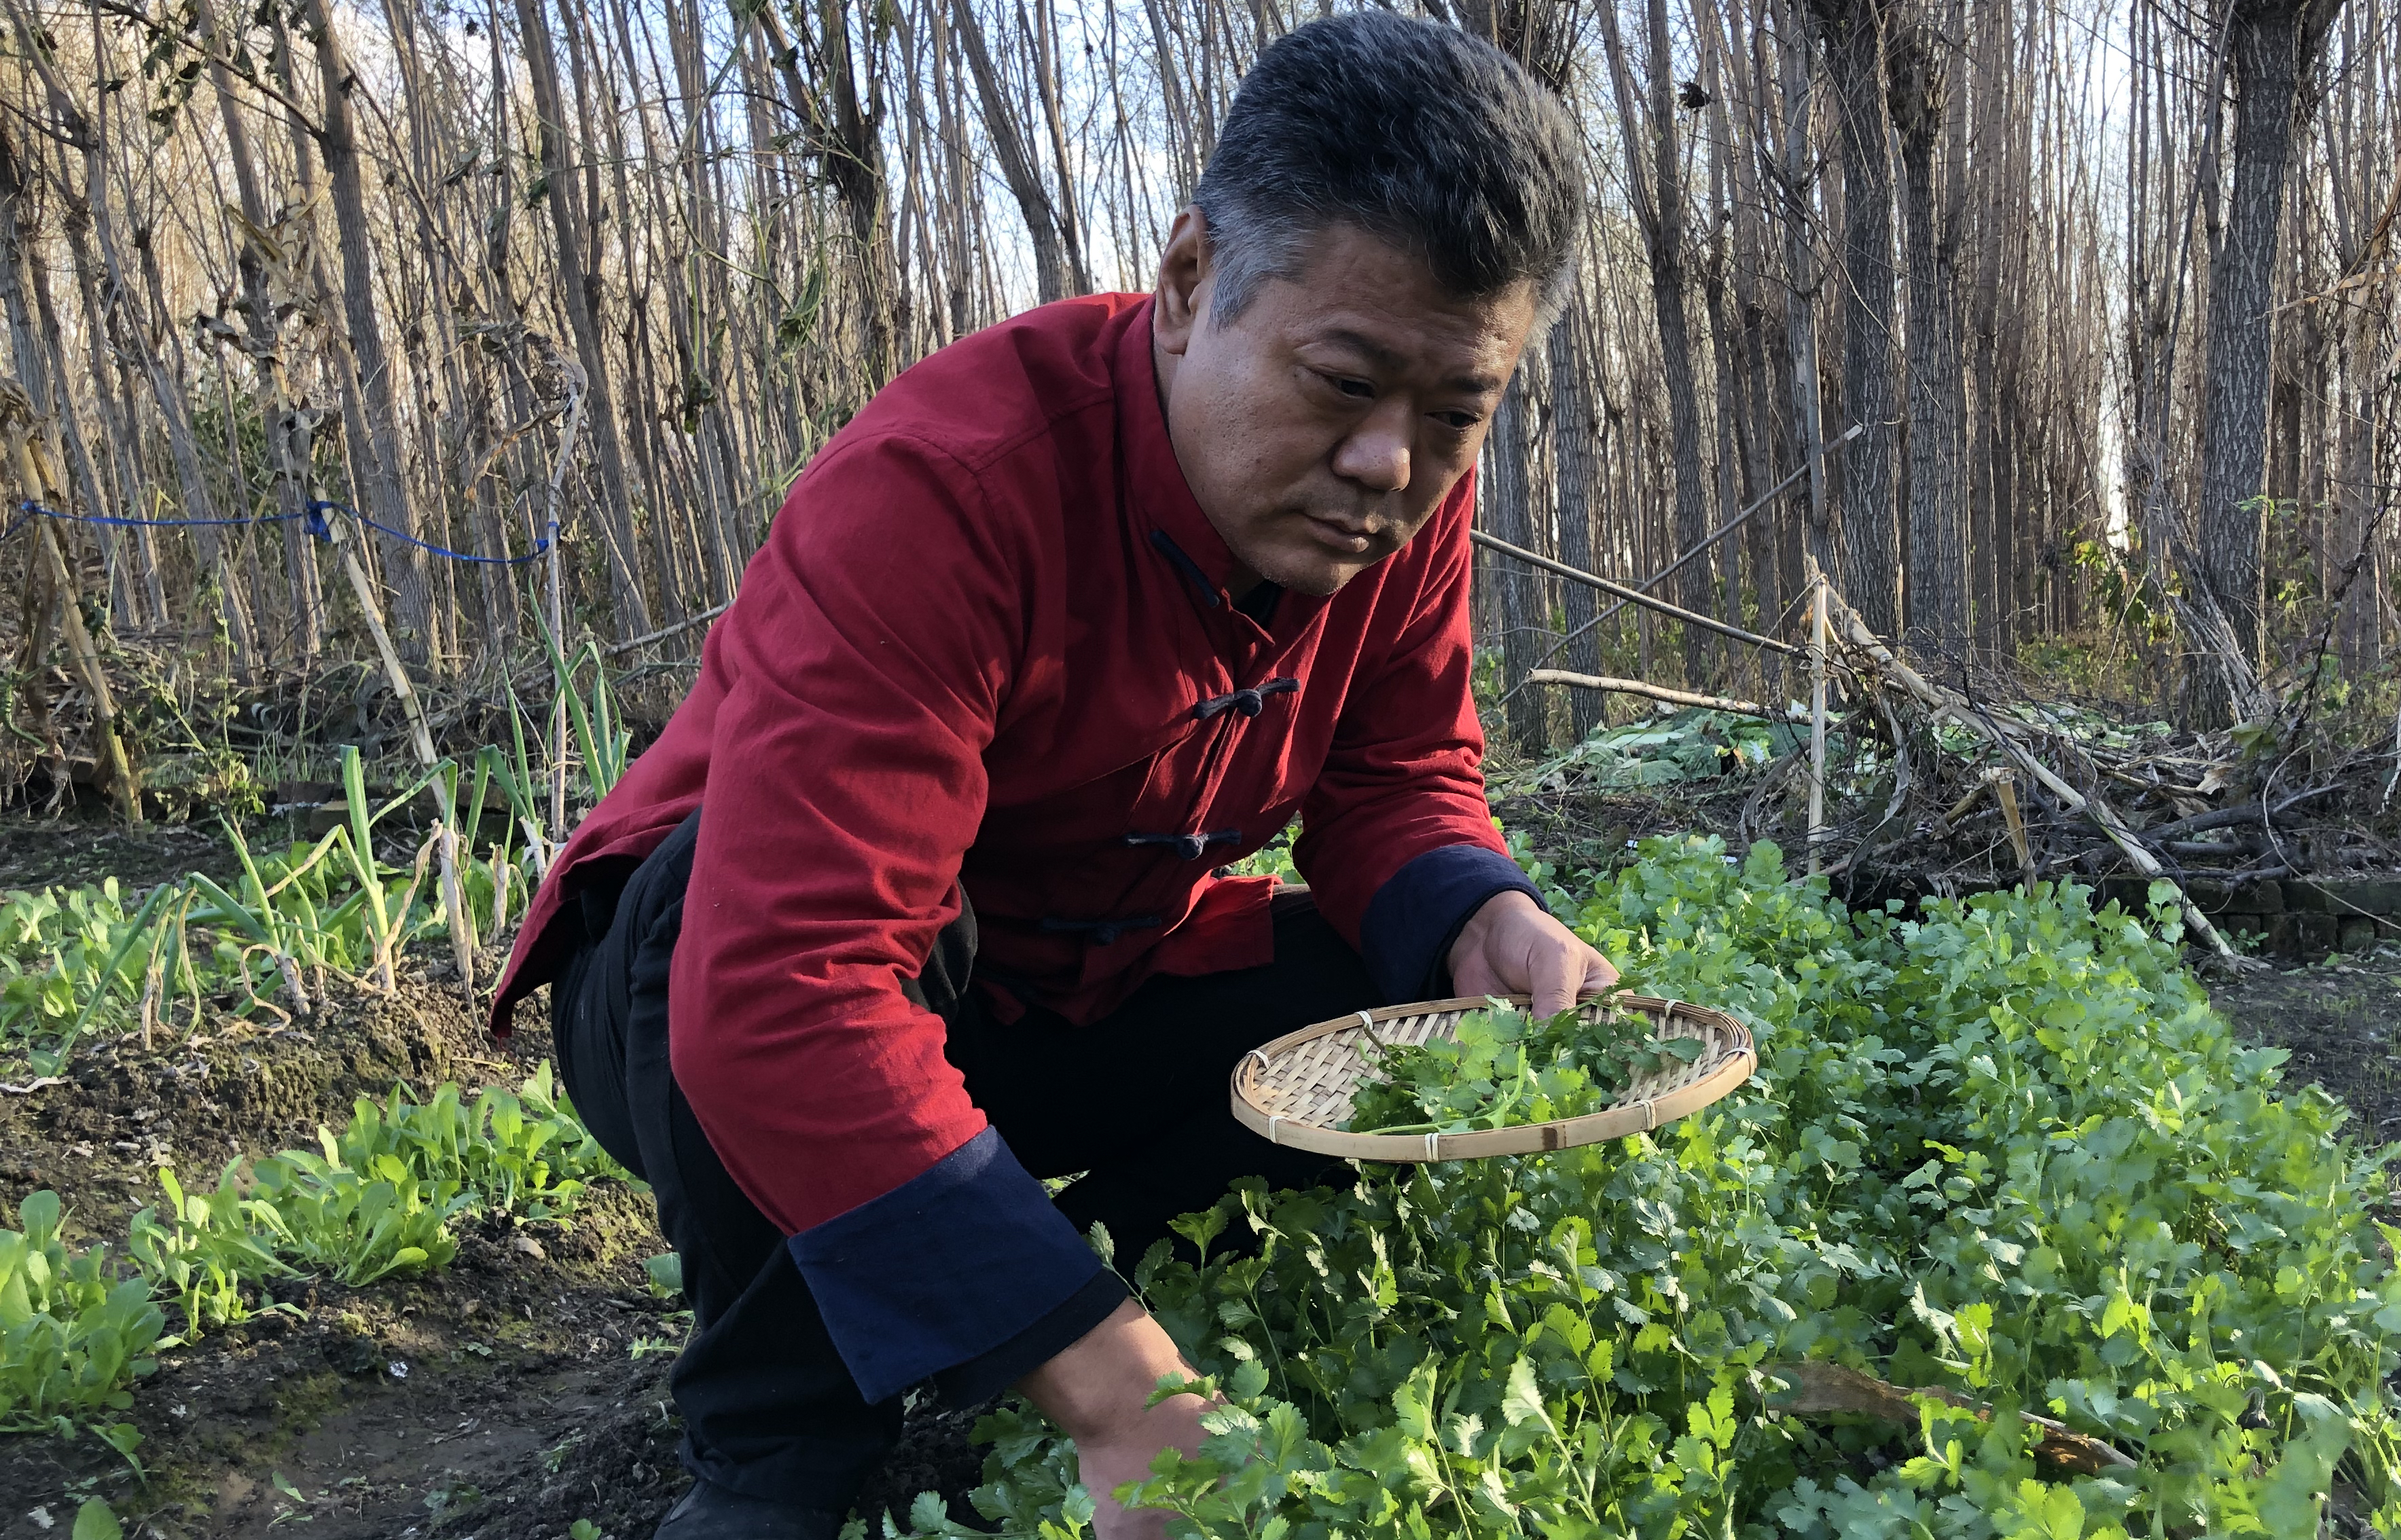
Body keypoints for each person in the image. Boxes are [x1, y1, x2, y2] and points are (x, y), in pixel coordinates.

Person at [486, 13, 1609, 1537]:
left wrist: (1481, 913)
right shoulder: (948, 491)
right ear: (1191, 280)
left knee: (1391, 984)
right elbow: (786, 986)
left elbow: (1398, 771)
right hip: (687, 1009)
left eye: (1455, 415)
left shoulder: (1393, 506)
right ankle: (782, 1448)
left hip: (1059, 995)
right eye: (1345, 384)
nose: (1390, 468)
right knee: (765, 922)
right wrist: (1115, 1395)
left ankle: (1065, 1295)